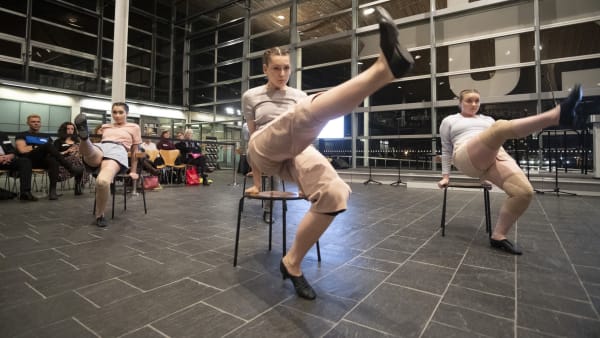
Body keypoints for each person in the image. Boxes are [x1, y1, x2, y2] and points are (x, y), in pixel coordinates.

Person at [242, 7, 414, 300]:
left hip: (296, 149)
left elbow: (305, 128)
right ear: (265, 70)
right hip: (263, 148)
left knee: (335, 192)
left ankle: (291, 263)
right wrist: (257, 181)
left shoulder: (297, 95)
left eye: (286, 68)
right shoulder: (252, 96)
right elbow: (251, 132)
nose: (282, 73)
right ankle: (382, 70)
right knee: (302, 114)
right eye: (276, 68)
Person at [437, 85, 583, 255]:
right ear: (460, 103)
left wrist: (486, 176)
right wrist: (445, 176)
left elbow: (493, 143)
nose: (474, 104)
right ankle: (556, 116)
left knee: (524, 192)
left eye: (477, 101)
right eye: (469, 101)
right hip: (464, 155)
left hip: (493, 155)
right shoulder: (450, 120)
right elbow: (446, 150)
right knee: (499, 128)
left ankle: (498, 236)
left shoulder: (487, 120)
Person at [73, 102, 142, 228]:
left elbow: (135, 151)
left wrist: (133, 170)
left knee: (102, 182)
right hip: (101, 147)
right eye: (114, 112)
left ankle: (100, 215)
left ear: (127, 113)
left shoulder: (134, 127)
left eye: (121, 112)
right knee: (86, 152)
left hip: (118, 150)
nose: (117, 115)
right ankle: (84, 137)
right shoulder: (105, 127)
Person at [15, 114, 83, 200]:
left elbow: (53, 151)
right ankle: (70, 168)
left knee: (53, 159)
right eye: (33, 122)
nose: (36, 123)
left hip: (44, 160)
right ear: (28, 123)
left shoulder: (46, 136)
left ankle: (52, 191)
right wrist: (37, 147)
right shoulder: (22, 135)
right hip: (29, 159)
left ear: (40, 124)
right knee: (47, 146)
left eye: (38, 122)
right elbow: (22, 150)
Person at [0, 131, 37, 201]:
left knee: (25, 161)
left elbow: (11, 149)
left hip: (5, 159)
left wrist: (10, 155)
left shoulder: (2, 135)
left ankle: (25, 193)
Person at [54, 122, 87, 195]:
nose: (70, 130)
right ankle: (79, 186)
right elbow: (55, 154)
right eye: (68, 128)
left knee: (80, 160)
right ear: (63, 130)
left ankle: (78, 185)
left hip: (77, 161)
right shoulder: (58, 142)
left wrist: (79, 151)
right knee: (79, 162)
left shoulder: (77, 141)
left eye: (72, 129)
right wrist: (67, 151)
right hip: (63, 162)